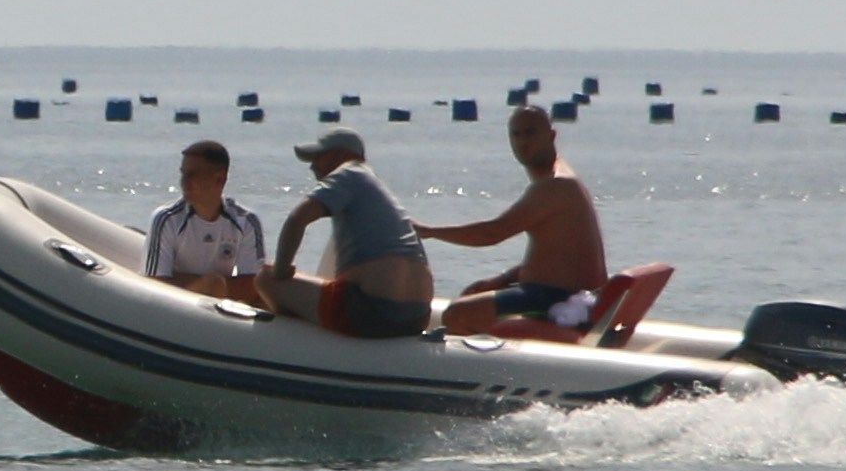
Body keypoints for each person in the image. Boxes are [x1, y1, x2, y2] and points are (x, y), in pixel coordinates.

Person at [428, 103, 614, 336]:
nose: (523, 141)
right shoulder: (557, 180)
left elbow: (492, 233)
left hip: (558, 301)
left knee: (457, 315)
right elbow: (556, 257)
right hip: (549, 293)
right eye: (516, 134)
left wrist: (428, 231)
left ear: (552, 136)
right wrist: (501, 280)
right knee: (472, 300)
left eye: (531, 132)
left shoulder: (556, 185)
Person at [263, 129, 434, 337]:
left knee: (266, 277)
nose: (312, 166)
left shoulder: (349, 172)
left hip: (373, 311)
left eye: (318, 157)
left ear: (341, 156)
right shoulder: (378, 190)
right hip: (418, 317)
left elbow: (296, 219)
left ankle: (290, 344)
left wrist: (280, 272)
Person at [142, 139, 267, 297]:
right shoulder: (166, 219)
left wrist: (212, 285)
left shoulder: (246, 221)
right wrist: (210, 285)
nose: (184, 183)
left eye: (192, 175)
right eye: (183, 174)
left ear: (219, 180)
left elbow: (253, 286)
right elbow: (155, 283)